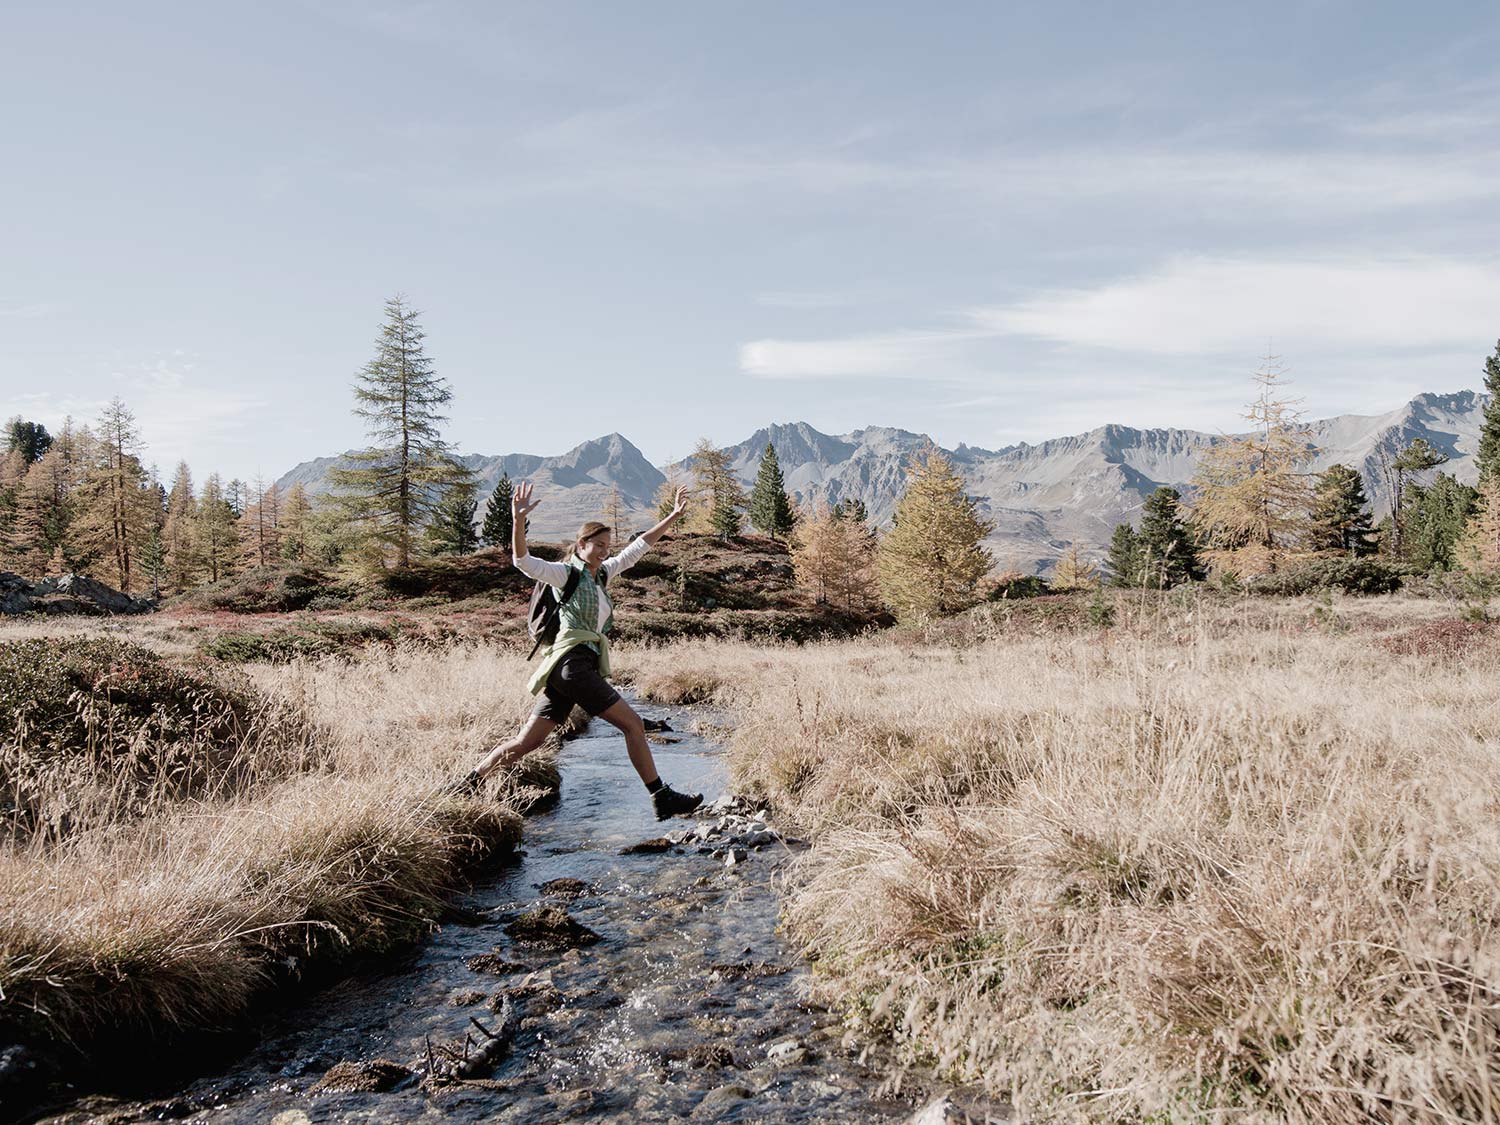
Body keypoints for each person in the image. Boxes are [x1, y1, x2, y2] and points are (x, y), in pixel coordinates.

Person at [453, 479, 704, 819]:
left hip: (566, 669)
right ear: (581, 544)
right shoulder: (564, 574)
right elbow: (522, 560)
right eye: (598, 545)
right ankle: (661, 796)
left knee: (528, 742)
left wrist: (673, 515)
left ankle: (466, 782)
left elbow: (639, 547)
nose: (605, 551)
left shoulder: (602, 575)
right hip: (573, 665)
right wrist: (517, 519)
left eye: (607, 546)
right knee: (633, 725)